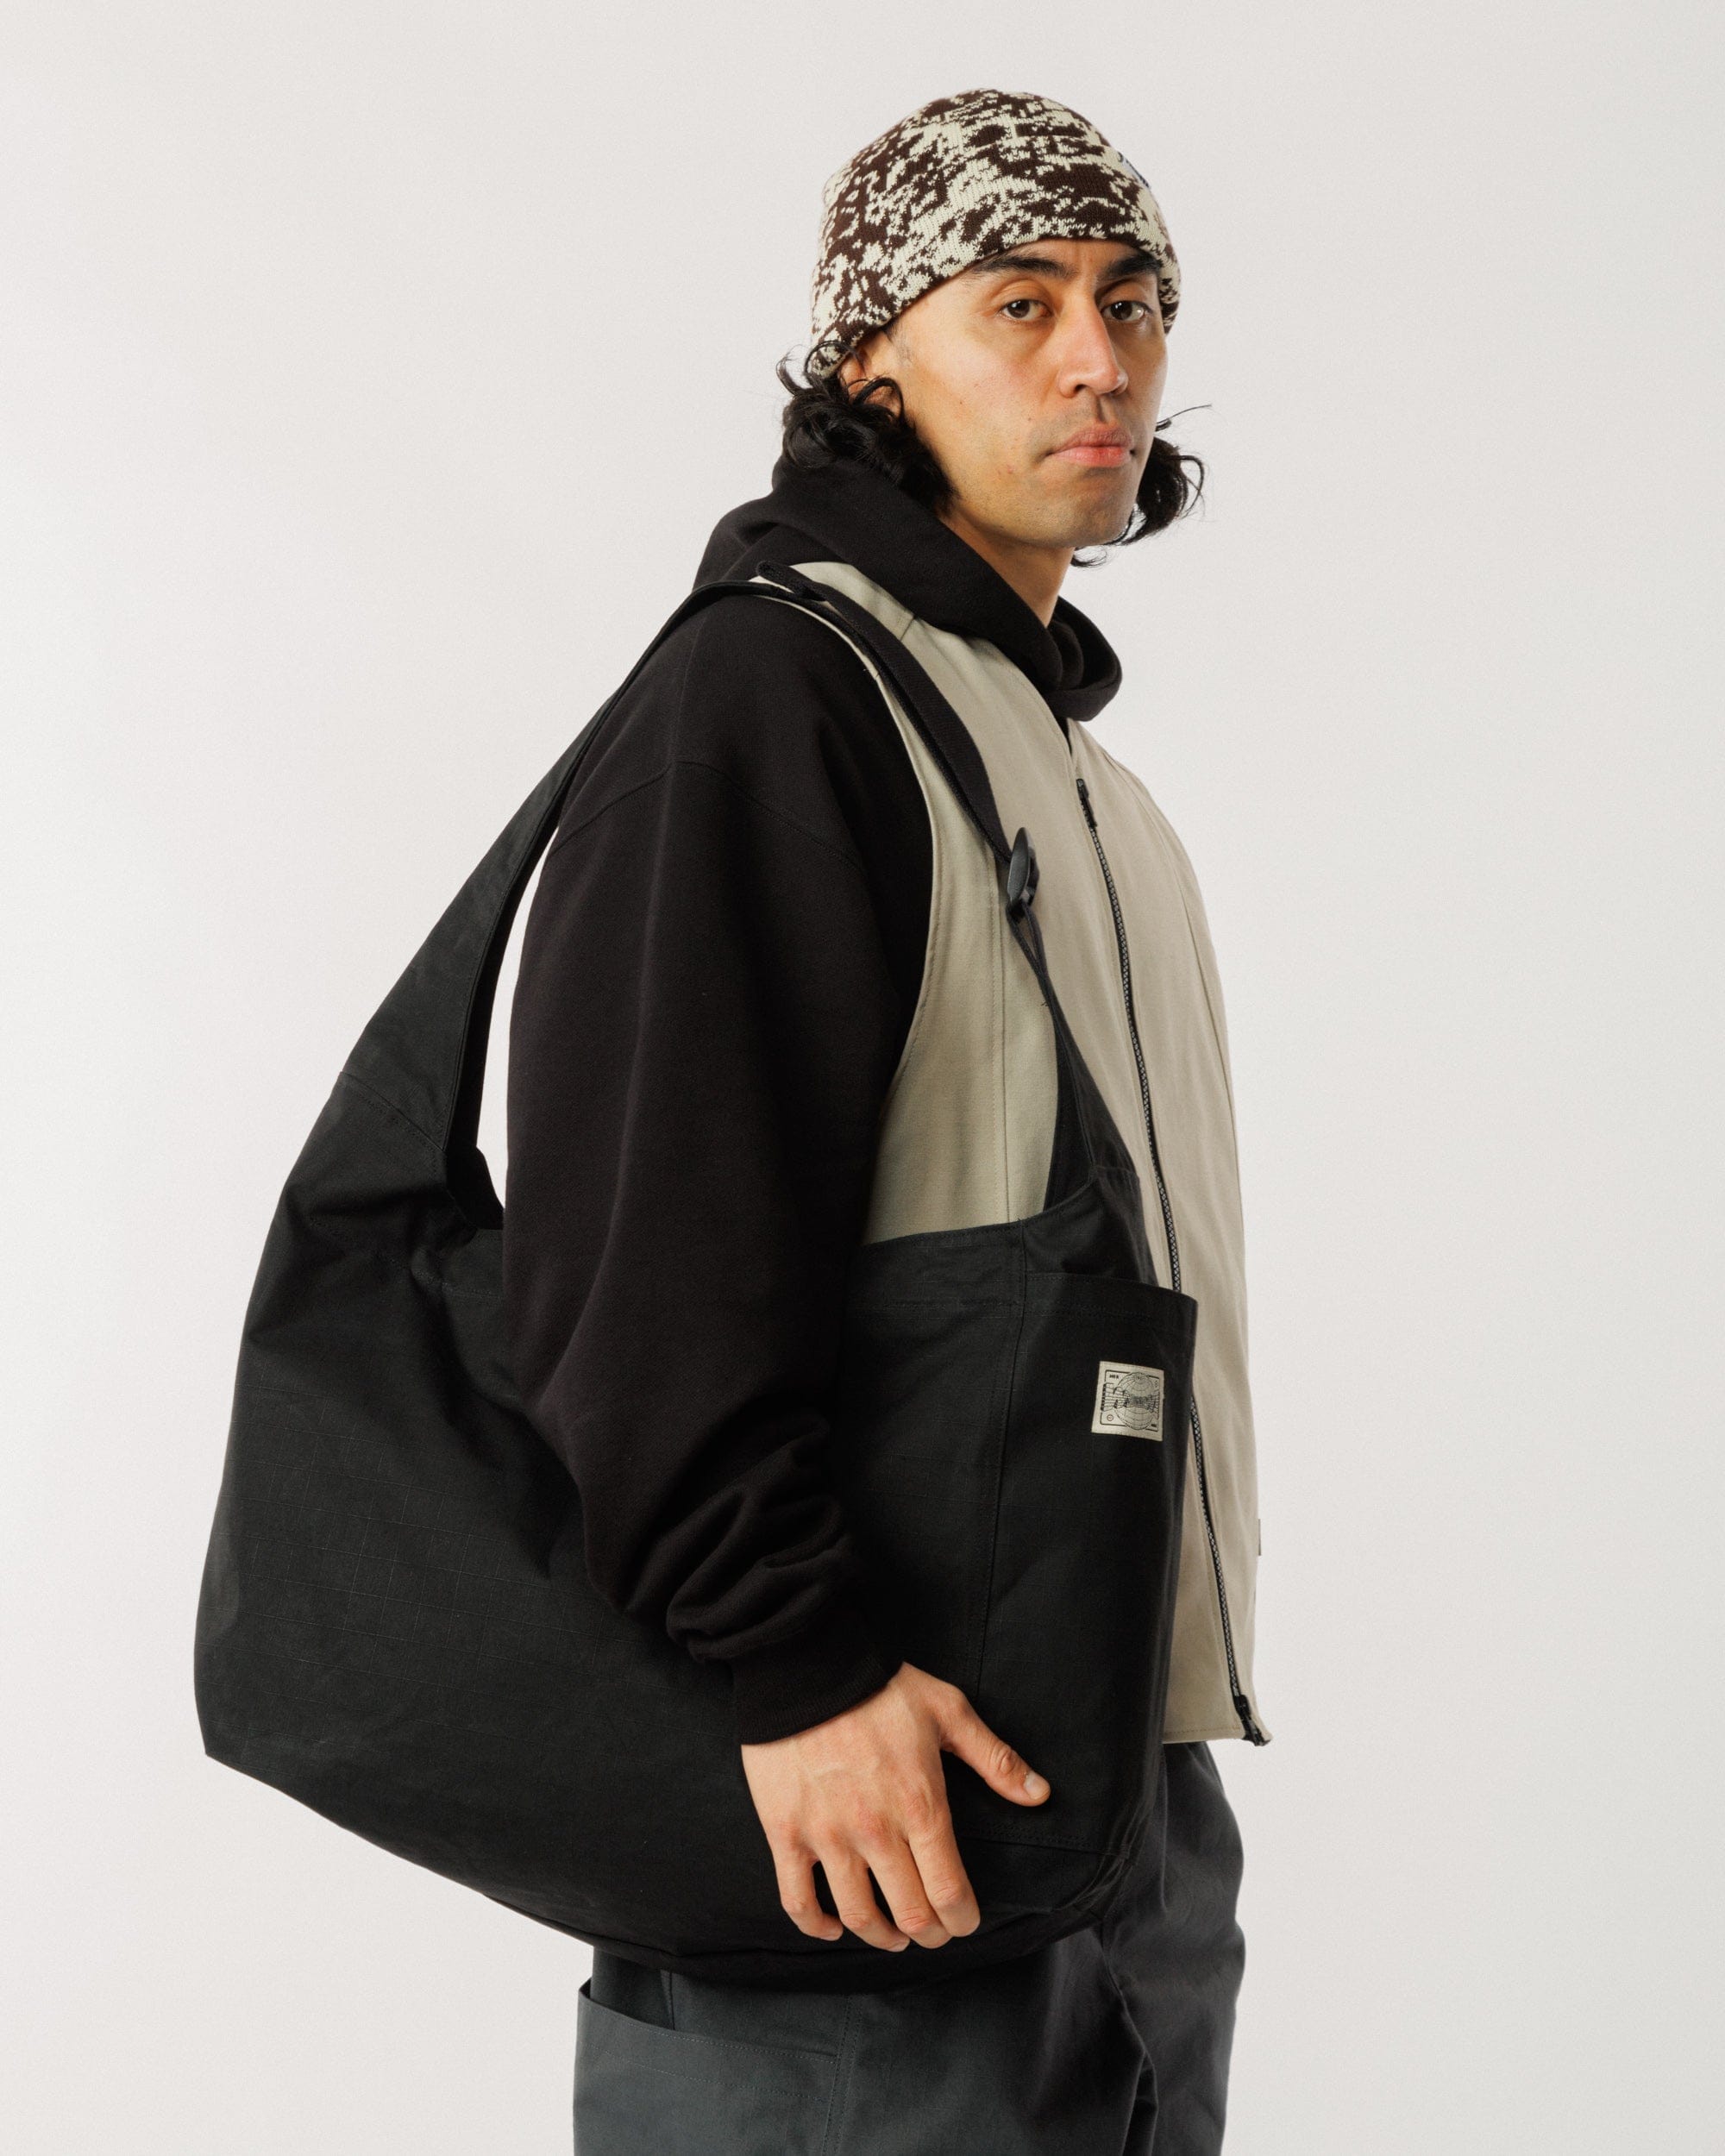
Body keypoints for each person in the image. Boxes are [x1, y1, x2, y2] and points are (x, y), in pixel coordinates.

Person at [501, 86, 1269, 2155]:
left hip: (1121, 1817)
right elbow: (636, 1252)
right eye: (1018, 303)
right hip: (866, 1810)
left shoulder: (1088, 789)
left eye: (1133, 301)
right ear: (871, 363)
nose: (1099, 358)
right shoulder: (774, 698)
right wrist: (792, 1670)